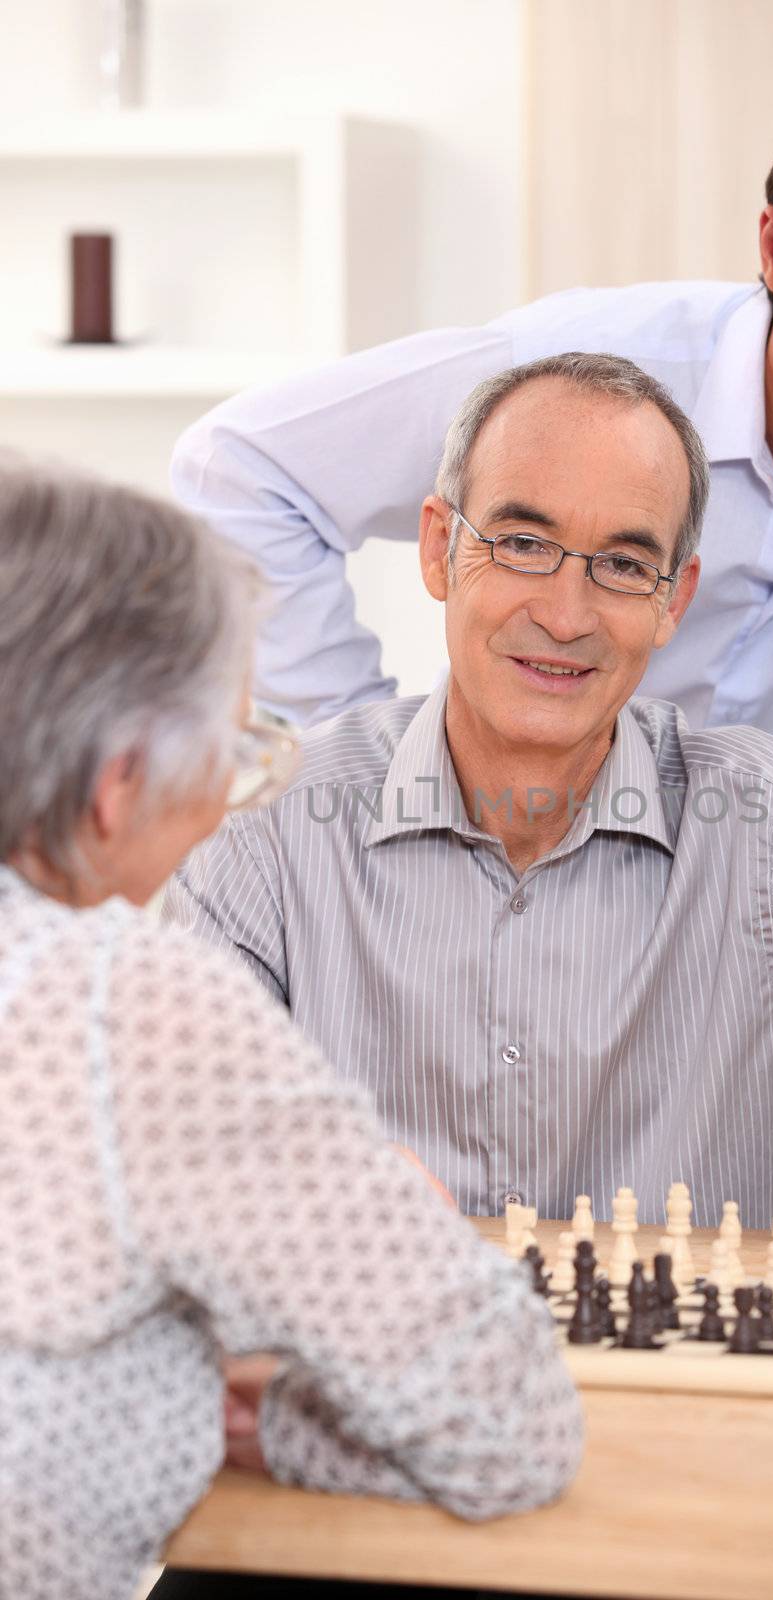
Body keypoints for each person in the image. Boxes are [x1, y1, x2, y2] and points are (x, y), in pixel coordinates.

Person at [169, 62, 773, 1235]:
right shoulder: (583, 374)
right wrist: (395, 764)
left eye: (623, 564)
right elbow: (242, 472)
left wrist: (723, 844)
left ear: (673, 594)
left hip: (767, 941)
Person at [0, 460, 583, 1600]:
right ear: (118, 781)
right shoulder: (126, 1004)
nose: (232, 799)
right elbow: (507, 1425)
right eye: (234, 754)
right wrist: (268, 1419)